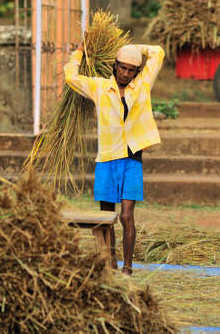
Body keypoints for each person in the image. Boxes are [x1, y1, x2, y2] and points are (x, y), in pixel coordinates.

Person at [64, 42, 165, 275]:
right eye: (122, 68)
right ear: (114, 66)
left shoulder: (142, 85)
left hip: (132, 159)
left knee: (127, 216)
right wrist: (79, 52)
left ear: (137, 72)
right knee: (107, 217)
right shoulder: (99, 88)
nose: (126, 74)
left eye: (131, 70)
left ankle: (128, 268)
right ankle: (111, 264)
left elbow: (158, 52)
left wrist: (131, 47)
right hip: (107, 160)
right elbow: (71, 77)